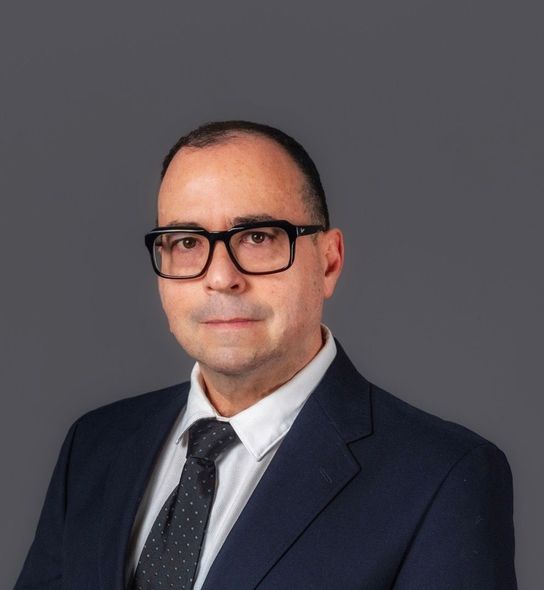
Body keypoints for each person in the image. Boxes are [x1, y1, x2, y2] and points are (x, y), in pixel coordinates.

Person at [15, 120, 517, 590]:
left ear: (328, 261)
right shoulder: (96, 445)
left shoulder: (444, 479)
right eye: (187, 241)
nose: (220, 277)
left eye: (257, 237)